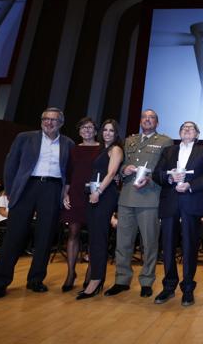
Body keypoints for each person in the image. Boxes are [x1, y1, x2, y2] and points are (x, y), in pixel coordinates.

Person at [0, 107, 74, 299]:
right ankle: (0, 283)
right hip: (27, 187)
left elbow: (69, 171)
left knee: (45, 237)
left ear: (60, 122)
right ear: (41, 120)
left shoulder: (68, 143)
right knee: (14, 236)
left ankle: (36, 279)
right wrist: (11, 190)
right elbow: (11, 164)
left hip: (52, 190)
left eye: (53, 120)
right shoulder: (24, 137)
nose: (49, 122)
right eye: (45, 118)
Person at [103, 109, 172, 298]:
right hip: (126, 197)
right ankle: (122, 280)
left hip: (150, 197)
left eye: (151, 118)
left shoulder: (165, 141)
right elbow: (120, 165)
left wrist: (150, 179)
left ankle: (147, 281)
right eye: (144, 117)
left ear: (157, 123)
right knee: (123, 243)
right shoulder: (129, 141)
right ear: (140, 121)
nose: (147, 120)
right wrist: (125, 169)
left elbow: (163, 170)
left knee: (149, 244)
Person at [153, 121, 203, 306]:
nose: (187, 130)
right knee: (168, 246)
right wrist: (169, 177)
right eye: (183, 128)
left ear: (197, 134)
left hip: (191, 202)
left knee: (189, 246)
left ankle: (188, 288)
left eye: (191, 128)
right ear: (179, 133)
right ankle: (169, 287)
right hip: (170, 202)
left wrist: (190, 186)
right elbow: (157, 174)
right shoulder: (169, 151)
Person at [77, 119, 124, 299]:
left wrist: (97, 191)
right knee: (94, 238)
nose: (107, 133)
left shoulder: (116, 149)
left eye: (111, 131)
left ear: (116, 133)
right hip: (95, 195)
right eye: (105, 130)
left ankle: (96, 281)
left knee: (99, 239)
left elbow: (111, 174)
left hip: (104, 196)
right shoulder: (103, 149)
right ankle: (95, 278)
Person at [60, 117, 101, 292]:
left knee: (94, 235)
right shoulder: (73, 149)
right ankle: (71, 273)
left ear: (95, 130)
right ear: (79, 131)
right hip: (75, 193)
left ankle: (91, 273)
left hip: (95, 193)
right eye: (83, 128)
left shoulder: (102, 148)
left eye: (90, 127)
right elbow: (68, 174)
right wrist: (65, 194)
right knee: (73, 232)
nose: (87, 130)